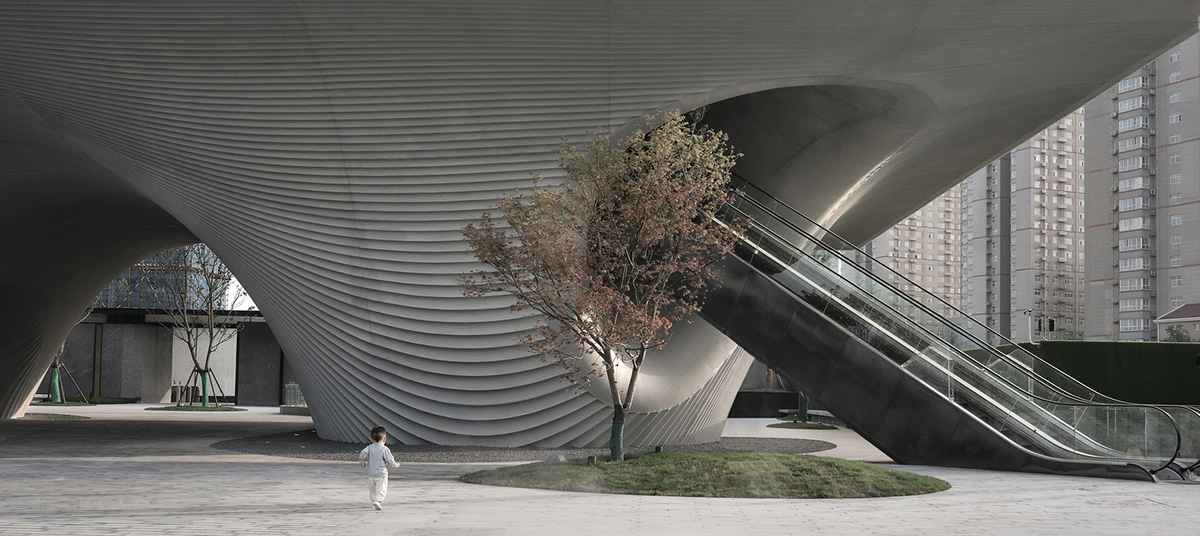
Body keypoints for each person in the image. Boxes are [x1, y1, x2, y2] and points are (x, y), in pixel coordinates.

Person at [359, 426, 399, 510]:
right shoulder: (384, 449)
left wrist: (362, 462)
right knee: (381, 488)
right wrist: (395, 464)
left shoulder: (369, 448)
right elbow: (390, 459)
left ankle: (374, 500)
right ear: (384, 439)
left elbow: (362, 453)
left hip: (371, 474)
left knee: (372, 489)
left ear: (371, 439)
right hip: (381, 474)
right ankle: (378, 501)